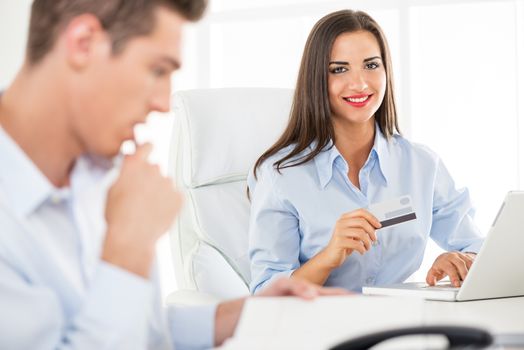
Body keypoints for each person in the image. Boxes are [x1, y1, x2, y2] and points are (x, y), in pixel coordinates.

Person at [0, 1, 345, 349]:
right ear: (83, 43)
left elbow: (134, 330)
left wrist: (245, 316)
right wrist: (126, 253)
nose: (164, 102)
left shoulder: (103, 175)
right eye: (157, 69)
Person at [248, 9, 484, 294]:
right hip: (319, 329)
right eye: (339, 69)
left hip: (400, 326)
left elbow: (479, 247)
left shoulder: (421, 165)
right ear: (317, 79)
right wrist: (328, 257)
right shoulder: (280, 176)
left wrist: (461, 261)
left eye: (371, 65)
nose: (359, 83)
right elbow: (264, 294)